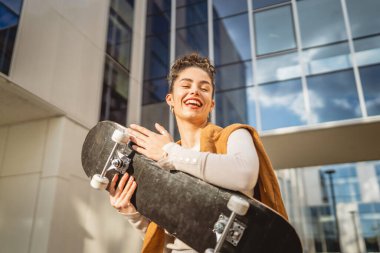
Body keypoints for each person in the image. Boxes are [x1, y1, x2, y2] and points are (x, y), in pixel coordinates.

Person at [108, 53, 288, 253]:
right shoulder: (163, 162)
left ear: (211, 103)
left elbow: (244, 175)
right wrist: (132, 214)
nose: (195, 91)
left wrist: (169, 153)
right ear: (171, 100)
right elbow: (169, 243)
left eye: (204, 88)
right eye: (186, 86)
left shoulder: (234, 135)